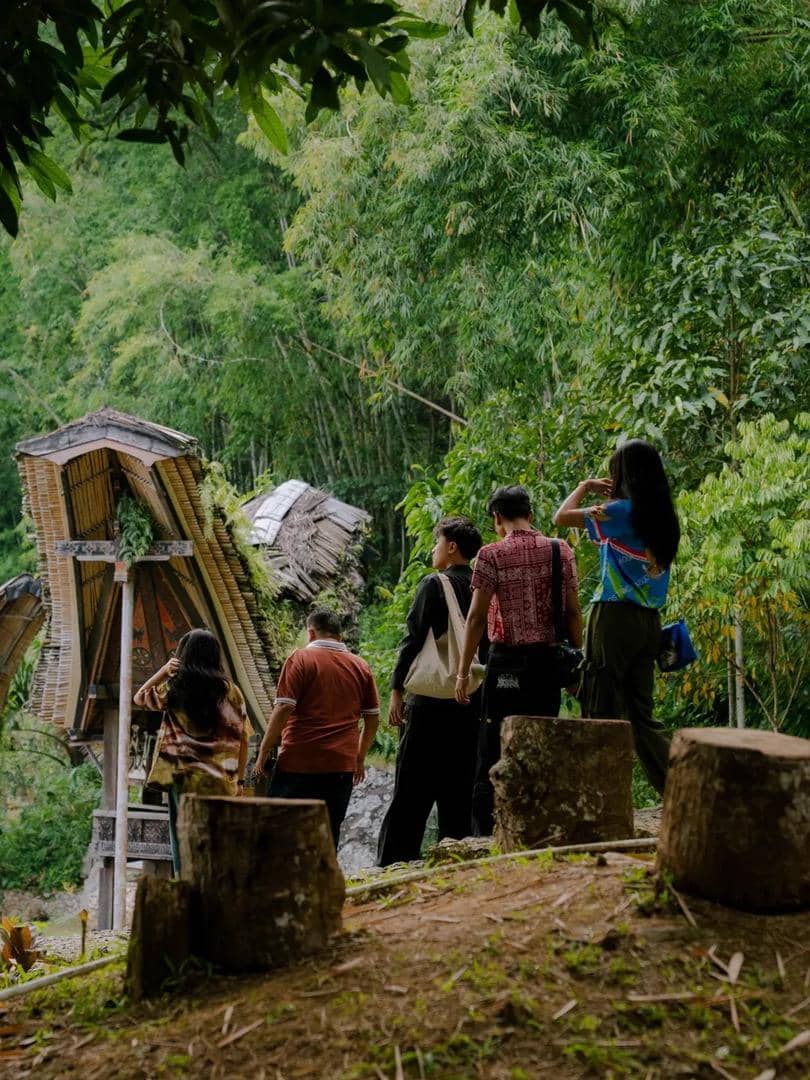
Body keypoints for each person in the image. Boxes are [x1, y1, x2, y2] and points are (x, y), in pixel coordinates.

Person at [553, 438, 680, 795]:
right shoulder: (665, 520)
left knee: (599, 704)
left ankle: (597, 796)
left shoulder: (621, 512)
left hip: (614, 617)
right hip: (650, 623)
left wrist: (584, 486)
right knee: (642, 716)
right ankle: (681, 790)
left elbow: (560, 517)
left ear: (624, 474)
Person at [456, 485, 582, 836]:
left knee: (494, 747)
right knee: (541, 741)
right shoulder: (560, 550)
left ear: (497, 517)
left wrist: (463, 672)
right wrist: (576, 664)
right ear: (531, 514)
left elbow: (475, 618)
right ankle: (540, 826)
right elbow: (573, 613)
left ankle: (487, 832)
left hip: (505, 666)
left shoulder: (490, 554)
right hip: (546, 664)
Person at [377, 516, 486, 866]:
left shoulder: (433, 584)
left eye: (437, 543)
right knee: (459, 793)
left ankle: (394, 864)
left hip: (428, 704)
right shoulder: (483, 585)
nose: (433, 550)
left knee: (411, 794)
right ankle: (455, 861)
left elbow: (412, 639)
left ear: (452, 547)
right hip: (469, 702)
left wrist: (396, 690)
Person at [255, 608, 380, 849]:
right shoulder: (361, 666)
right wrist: (359, 757)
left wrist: (264, 750)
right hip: (340, 767)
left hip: (298, 763)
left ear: (311, 633)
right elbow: (373, 719)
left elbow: (284, 708)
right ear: (340, 636)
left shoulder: (300, 659)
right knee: (327, 834)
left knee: (278, 832)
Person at [135, 628, 250, 875]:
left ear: (184, 655)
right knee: (216, 841)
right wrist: (240, 780)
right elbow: (243, 739)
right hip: (220, 781)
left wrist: (164, 671)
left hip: (183, 779)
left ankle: (187, 886)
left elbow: (139, 697)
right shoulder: (231, 692)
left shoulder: (175, 688)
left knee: (184, 839)